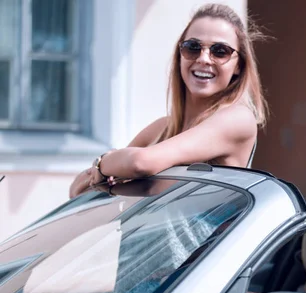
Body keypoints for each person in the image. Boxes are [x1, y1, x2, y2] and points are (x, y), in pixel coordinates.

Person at [69, 3, 268, 198]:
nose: (204, 59)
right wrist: (111, 169)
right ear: (180, 55)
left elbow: (139, 163)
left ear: (239, 66)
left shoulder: (238, 119)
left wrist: (104, 162)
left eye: (220, 51)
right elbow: (79, 191)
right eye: (193, 47)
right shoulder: (161, 129)